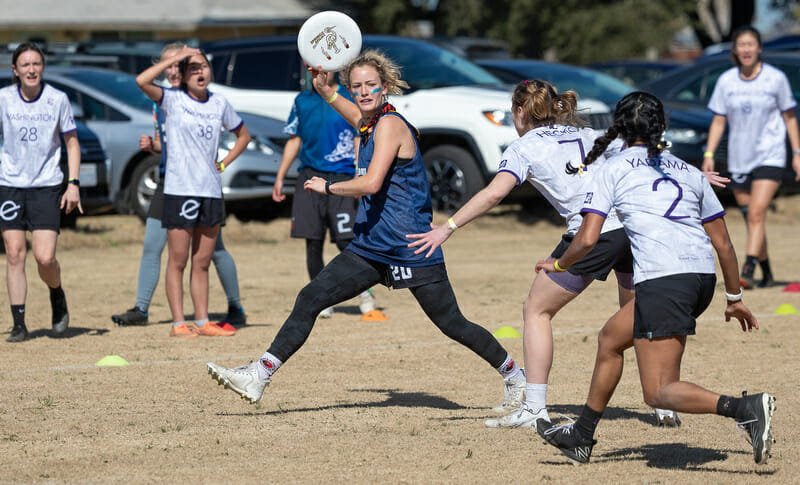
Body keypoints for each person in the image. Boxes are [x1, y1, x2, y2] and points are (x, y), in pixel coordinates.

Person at [206, 50, 525, 407]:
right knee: (311, 298)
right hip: (372, 247)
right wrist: (327, 92)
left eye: (370, 85)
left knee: (452, 324)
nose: (363, 92)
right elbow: (355, 114)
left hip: (411, 245)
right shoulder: (371, 121)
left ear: (385, 87)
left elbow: (371, 184)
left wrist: (328, 188)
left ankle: (516, 375)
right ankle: (259, 375)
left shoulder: (390, 125)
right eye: (356, 86)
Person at [407, 79, 681, 427]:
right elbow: (638, 155)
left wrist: (447, 227)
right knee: (637, 316)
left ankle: (534, 408)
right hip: (631, 230)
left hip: (592, 233)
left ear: (519, 112)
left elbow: (493, 194)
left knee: (537, 310)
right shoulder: (585, 134)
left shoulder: (524, 147)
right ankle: (664, 403)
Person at [536, 91, 775, 466]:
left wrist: (560, 265)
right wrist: (733, 297)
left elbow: (586, 238)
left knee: (659, 391)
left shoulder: (611, 168)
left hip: (665, 281)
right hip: (700, 279)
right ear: (660, 127)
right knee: (611, 339)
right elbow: (725, 244)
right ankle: (581, 436)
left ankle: (744, 408)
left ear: (618, 128)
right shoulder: (688, 170)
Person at [112, 43, 247, 329]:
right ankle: (145, 309)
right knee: (161, 250)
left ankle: (232, 307)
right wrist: (154, 147)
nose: (175, 68)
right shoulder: (167, 99)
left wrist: (221, 164)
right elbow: (173, 139)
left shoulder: (213, 101)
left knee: (212, 254)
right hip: (173, 185)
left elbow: (236, 136)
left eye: (179, 64)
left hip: (206, 188)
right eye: (171, 64)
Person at [702, 25, 800, 289]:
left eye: (750, 44)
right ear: (736, 50)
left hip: (770, 154)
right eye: (741, 45)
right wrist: (709, 154)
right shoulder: (727, 81)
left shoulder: (775, 79)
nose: (746, 50)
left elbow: (789, 118)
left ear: (759, 48)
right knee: (751, 217)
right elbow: (719, 121)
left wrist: (797, 153)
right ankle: (767, 271)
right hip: (739, 157)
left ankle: (748, 268)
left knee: (756, 213)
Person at [273, 71, 376, 318]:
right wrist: (280, 175)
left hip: (342, 176)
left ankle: (365, 293)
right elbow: (294, 140)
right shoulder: (302, 101)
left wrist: (359, 178)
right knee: (313, 241)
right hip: (309, 177)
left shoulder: (346, 97)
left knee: (346, 241)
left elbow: (357, 137)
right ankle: (322, 299)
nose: (319, 69)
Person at [1, 42, 82, 342]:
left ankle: (56, 293)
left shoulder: (57, 99)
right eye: (25, 65)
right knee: (14, 254)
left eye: (36, 64)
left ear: (43, 67)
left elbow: (72, 143)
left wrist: (73, 183)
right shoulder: (4, 99)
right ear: (15, 70)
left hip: (47, 185)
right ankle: (19, 323)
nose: (31, 70)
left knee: (45, 258)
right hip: (10, 185)